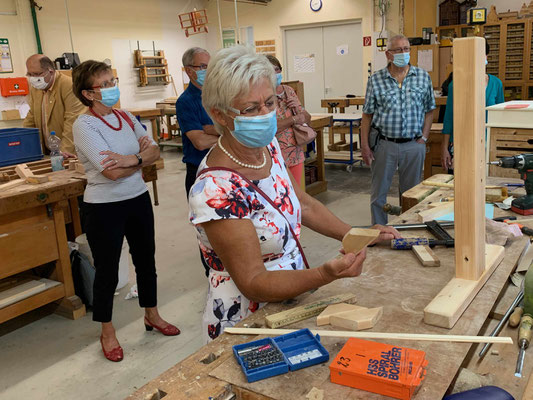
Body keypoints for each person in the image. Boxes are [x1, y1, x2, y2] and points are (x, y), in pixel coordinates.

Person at [188, 45, 400, 343]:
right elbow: (254, 282)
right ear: (219, 114)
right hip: (249, 319)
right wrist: (325, 274)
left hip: (292, 296)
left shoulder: (267, 148)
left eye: (269, 102)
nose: (265, 114)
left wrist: (357, 235)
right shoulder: (215, 189)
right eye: (250, 109)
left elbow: (302, 203)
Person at [72, 60, 180, 362]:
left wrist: (129, 159)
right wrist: (138, 159)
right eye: (104, 84)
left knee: (146, 260)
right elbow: (111, 174)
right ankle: (107, 331)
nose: (112, 88)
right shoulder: (85, 125)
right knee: (107, 270)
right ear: (88, 93)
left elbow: (155, 152)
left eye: (112, 80)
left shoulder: (126, 117)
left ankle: (152, 314)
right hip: (104, 206)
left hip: (137, 198)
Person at [361, 35, 435, 225]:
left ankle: (408, 228)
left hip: (414, 144)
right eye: (398, 50)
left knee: (411, 194)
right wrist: (365, 147)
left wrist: (424, 138)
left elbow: (429, 110)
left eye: (406, 49)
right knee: (379, 194)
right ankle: (379, 230)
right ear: (388, 54)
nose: (404, 53)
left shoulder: (422, 77)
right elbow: (367, 115)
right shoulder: (376, 80)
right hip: (385, 144)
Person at [440, 41, 504, 171]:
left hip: (488, 146)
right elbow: (449, 118)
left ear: (486, 56)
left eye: (481, 55)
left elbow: (500, 118)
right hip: (461, 145)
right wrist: (444, 149)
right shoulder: (455, 85)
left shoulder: (496, 84)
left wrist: (501, 147)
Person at [176, 47, 219, 197]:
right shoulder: (185, 102)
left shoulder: (219, 95)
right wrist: (228, 134)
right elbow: (200, 142)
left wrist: (211, 129)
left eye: (210, 66)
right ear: (189, 71)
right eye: (202, 66)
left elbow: (234, 125)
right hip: (200, 170)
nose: (207, 70)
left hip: (223, 166)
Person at [23, 54, 85, 157]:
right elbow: (31, 117)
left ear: (50, 71)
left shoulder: (69, 85)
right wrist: (26, 146)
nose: (33, 78)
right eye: (30, 74)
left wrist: (63, 154)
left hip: (70, 153)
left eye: (36, 74)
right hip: (48, 153)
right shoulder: (35, 89)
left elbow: (73, 122)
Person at [265, 55, 311, 186]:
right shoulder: (262, 97)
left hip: (295, 153)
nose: (275, 74)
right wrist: (293, 119)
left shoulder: (289, 91)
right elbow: (270, 127)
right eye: (270, 71)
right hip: (274, 155)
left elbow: (307, 119)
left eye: (277, 69)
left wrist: (297, 108)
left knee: (296, 194)